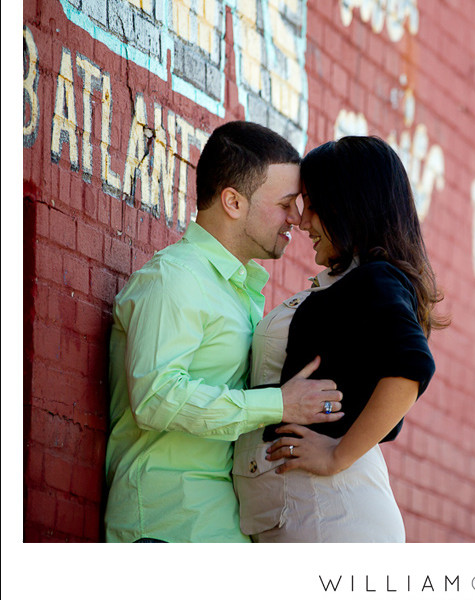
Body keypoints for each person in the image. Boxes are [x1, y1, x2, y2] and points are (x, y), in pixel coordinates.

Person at [105, 121, 344, 543]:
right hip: (167, 526)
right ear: (233, 201)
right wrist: (278, 404)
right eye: (286, 203)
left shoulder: (236, 290)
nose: (298, 218)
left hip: (220, 526)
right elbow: (156, 398)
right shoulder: (176, 279)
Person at [232, 136, 446, 542]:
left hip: (331, 521)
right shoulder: (344, 284)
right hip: (306, 517)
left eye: (312, 203)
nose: (301, 220)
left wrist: (336, 455)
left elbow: (411, 367)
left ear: (349, 203)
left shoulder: (374, 279)